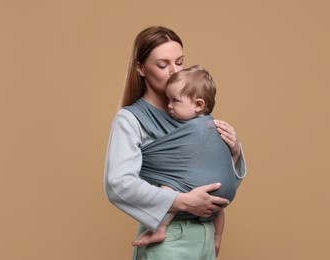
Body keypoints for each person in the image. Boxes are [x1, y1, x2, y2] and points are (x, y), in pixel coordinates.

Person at [104, 26, 246, 260]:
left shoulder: (192, 111)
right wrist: (183, 201)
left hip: (206, 235)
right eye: (162, 65)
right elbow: (118, 184)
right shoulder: (130, 120)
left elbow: (208, 179)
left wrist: (235, 151)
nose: (174, 71)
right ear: (141, 69)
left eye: (179, 62)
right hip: (168, 238)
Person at [131, 65, 241, 256]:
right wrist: (235, 155)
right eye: (168, 100)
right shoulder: (212, 125)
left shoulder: (191, 129)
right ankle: (218, 237)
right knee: (218, 210)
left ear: (198, 105)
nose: (169, 106)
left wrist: (236, 149)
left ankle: (160, 228)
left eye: (175, 101)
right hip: (219, 199)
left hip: (198, 195)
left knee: (169, 190)